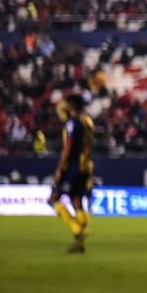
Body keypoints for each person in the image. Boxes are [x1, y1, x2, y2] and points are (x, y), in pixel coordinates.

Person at [49, 95, 95, 254]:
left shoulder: (73, 123)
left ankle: (78, 231)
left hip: (73, 167)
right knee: (77, 201)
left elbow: (68, 147)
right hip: (85, 166)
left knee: (53, 199)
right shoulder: (87, 121)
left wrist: (60, 168)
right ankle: (80, 242)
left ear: (71, 106)